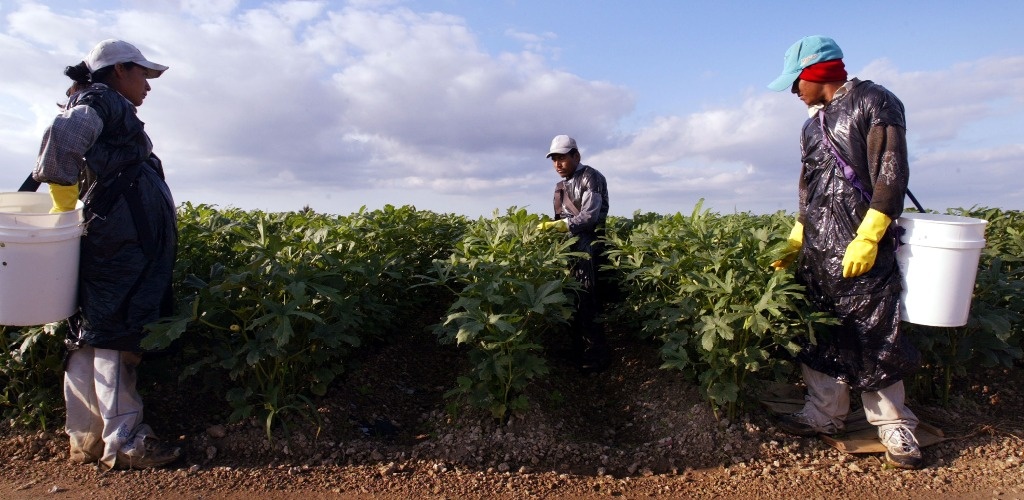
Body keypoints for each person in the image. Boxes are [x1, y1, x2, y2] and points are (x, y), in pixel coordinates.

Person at [767, 35, 923, 469]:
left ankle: (894, 425)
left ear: (817, 72)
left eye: (796, 81)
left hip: (860, 247)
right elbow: (809, 188)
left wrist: (871, 233)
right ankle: (823, 413)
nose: (794, 92)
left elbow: (891, 169)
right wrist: (797, 238)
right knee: (821, 331)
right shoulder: (810, 126)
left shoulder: (876, 102)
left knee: (875, 330)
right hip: (819, 248)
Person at [31, 39, 181, 470]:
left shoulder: (103, 104)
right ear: (119, 71)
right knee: (116, 334)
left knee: (93, 333)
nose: (148, 86)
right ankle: (126, 441)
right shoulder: (105, 101)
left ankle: (87, 438)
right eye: (143, 75)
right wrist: (63, 207)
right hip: (118, 245)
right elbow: (61, 137)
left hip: (113, 240)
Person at [536, 135, 612, 373]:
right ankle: (577, 350)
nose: (558, 164)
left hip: (590, 247)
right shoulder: (560, 187)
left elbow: (589, 216)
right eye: (554, 159)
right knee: (571, 300)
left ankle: (598, 356)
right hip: (568, 249)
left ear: (576, 156)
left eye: (562, 158)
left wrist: (561, 226)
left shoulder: (592, 177)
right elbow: (560, 218)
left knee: (588, 300)